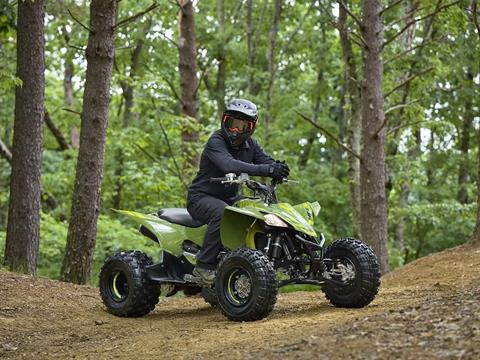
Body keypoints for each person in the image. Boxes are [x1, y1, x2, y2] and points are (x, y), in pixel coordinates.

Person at [187, 99, 289, 283]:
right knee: (223, 214)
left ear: (251, 128)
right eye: (232, 124)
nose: (235, 130)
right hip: (201, 198)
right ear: (224, 121)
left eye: (242, 126)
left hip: (230, 198)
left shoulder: (251, 144)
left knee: (256, 210)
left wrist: (278, 168)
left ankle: (257, 262)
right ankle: (204, 267)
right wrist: (267, 170)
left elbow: (265, 161)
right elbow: (228, 164)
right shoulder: (216, 141)